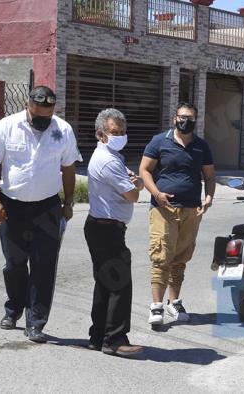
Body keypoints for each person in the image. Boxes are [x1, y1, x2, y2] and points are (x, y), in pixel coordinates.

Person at [0, 86, 82, 343]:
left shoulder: (63, 130)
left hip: (47, 208)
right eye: (38, 115)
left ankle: (36, 322)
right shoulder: (6, 126)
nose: (43, 121)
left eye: (47, 116)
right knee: (14, 264)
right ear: (28, 106)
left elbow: (68, 168)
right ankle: (13, 308)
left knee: (44, 265)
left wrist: (68, 202)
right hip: (12, 206)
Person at [139, 102, 216, 326]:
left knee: (180, 258)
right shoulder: (159, 141)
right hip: (163, 209)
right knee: (161, 256)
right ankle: (156, 306)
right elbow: (144, 170)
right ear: (175, 118)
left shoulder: (202, 146)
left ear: (196, 121)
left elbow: (210, 176)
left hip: (191, 210)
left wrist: (208, 198)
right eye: (182, 117)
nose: (185, 121)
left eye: (190, 118)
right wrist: (156, 193)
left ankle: (174, 302)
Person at [84, 108, 144, 357]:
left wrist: (131, 180)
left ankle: (98, 336)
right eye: (114, 132)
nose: (119, 136)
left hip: (102, 228)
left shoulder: (112, 156)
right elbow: (133, 194)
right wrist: (138, 182)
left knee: (106, 284)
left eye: (122, 131)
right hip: (107, 230)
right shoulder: (108, 160)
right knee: (119, 284)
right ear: (101, 134)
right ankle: (115, 339)